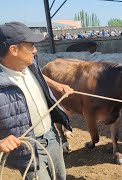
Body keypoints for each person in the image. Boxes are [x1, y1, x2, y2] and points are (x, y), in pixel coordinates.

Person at [0, 21, 73, 180]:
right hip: (29, 148)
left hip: (51, 136)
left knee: (60, 176)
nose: (35, 50)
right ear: (13, 50)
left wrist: (57, 84)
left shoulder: (30, 63)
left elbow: (39, 73)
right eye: (31, 45)